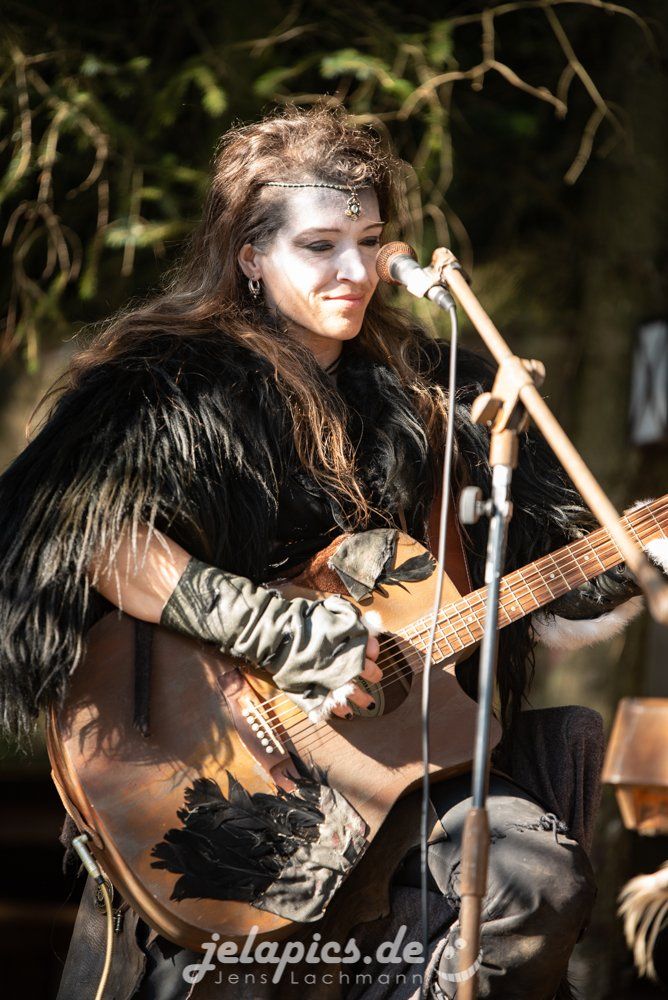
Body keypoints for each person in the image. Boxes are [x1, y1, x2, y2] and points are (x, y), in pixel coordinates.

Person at [0, 106, 661, 1000]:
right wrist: (281, 635)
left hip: (404, 757)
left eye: (371, 241)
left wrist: (638, 558)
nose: (356, 271)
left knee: (529, 884)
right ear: (250, 255)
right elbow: (87, 538)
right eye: (320, 245)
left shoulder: (441, 389)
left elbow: (553, 561)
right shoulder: (165, 386)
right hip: (219, 761)